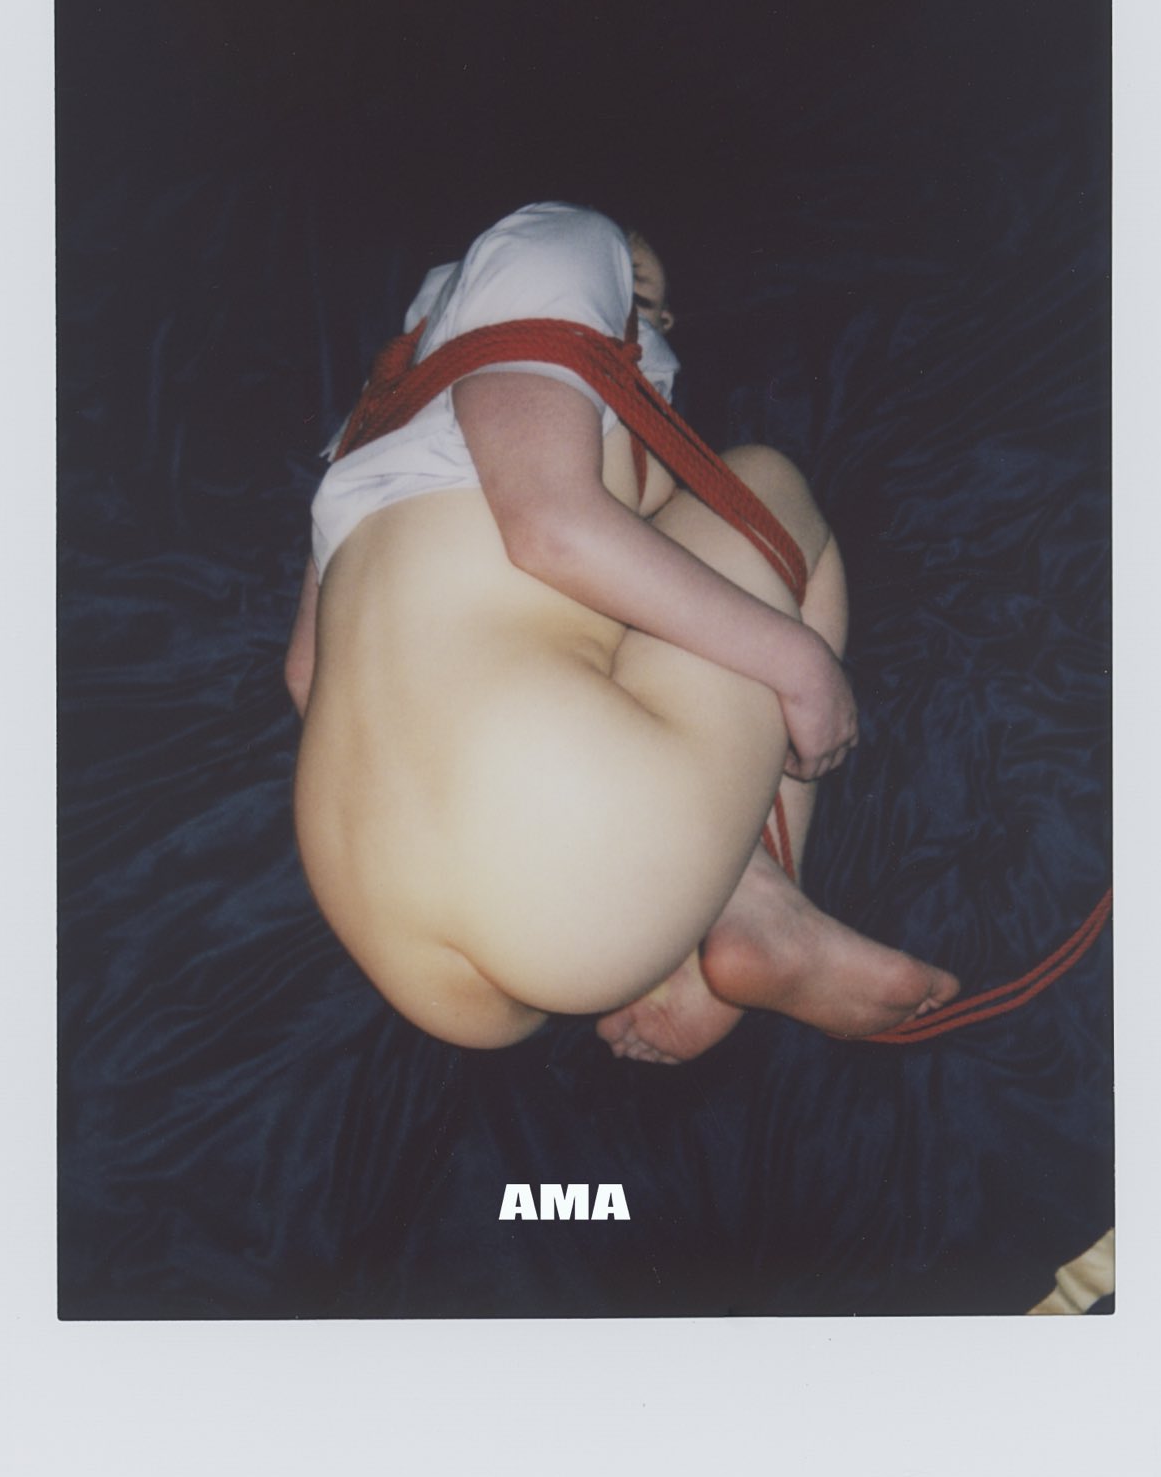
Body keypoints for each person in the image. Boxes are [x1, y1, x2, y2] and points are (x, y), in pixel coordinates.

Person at [286, 203, 959, 1063]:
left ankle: (706, 897)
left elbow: (305, 674)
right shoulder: (558, 241)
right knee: (759, 481)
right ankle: (762, 907)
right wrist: (801, 667)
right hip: (568, 854)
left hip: (391, 932)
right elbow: (552, 527)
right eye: (647, 298)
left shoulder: (368, 433)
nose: (660, 314)